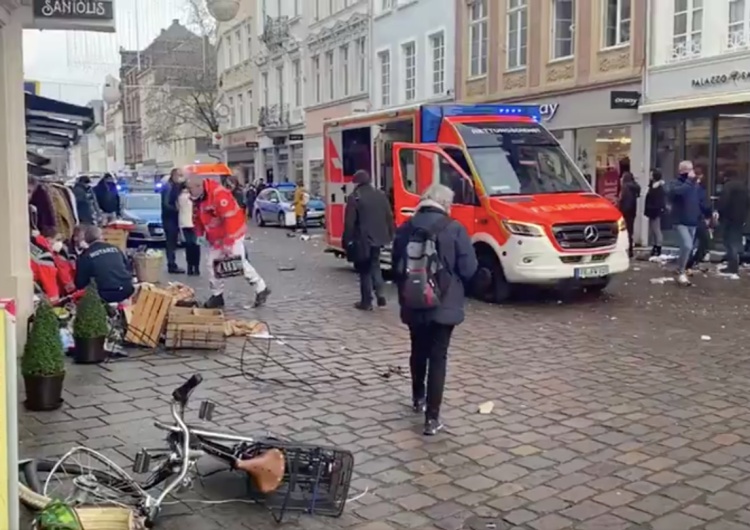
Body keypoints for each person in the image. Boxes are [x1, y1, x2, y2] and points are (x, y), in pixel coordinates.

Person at [391, 184, 478, 436]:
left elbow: (396, 266)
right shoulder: (454, 229)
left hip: (413, 300)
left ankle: (417, 398)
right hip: (444, 303)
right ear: (446, 204)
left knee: (417, 349)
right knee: (438, 357)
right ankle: (432, 418)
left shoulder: (406, 228)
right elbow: (469, 268)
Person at [187, 174, 270, 309]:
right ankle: (217, 295)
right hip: (215, 237)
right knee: (212, 264)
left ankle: (261, 287)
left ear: (198, 186)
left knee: (238, 263)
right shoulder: (198, 198)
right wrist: (199, 233)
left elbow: (229, 219)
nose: (189, 192)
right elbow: (197, 217)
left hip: (232, 233)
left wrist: (228, 243)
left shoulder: (219, 195)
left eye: (190, 189)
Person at [342, 169, 394, 310]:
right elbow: (389, 216)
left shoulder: (355, 197)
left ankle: (366, 301)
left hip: (362, 239)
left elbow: (349, 223)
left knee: (364, 269)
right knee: (375, 265)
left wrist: (346, 241)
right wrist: (390, 234)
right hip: (379, 237)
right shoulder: (380, 195)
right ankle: (381, 293)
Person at [74, 225, 134, 304]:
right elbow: (128, 268)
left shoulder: (85, 256)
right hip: (127, 289)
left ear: (86, 240)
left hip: (105, 294)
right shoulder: (115, 248)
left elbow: (80, 283)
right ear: (101, 237)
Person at [669, 160, 702, 286]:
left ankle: (680, 267)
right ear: (682, 171)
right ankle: (681, 272)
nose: (691, 172)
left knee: (687, 248)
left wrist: (706, 214)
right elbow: (677, 192)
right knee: (687, 245)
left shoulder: (695, 186)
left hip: (692, 221)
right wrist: (689, 181)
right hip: (680, 221)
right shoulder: (675, 183)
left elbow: (698, 201)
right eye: (688, 169)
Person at [717, 171, 750, 277]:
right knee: (736, 241)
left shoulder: (728, 186)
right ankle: (735, 264)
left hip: (729, 218)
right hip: (741, 218)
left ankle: (732, 267)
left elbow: (724, 202)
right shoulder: (744, 187)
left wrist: (720, 213)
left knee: (729, 242)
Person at [685, 171, 714, 274]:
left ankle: (688, 262)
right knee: (704, 241)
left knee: (690, 243)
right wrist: (708, 215)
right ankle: (691, 261)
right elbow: (705, 205)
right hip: (698, 219)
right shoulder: (699, 190)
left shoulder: (689, 190)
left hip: (690, 219)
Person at [161, 168, 186, 274]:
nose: (180, 177)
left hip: (173, 218)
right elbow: (166, 204)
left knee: (173, 241)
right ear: (174, 176)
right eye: (179, 175)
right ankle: (171, 265)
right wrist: (177, 209)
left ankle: (172, 264)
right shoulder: (168, 187)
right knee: (171, 242)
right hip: (169, 218)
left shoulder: (175, 186)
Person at [178, 182, 200, 275]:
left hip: (184, 223)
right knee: (195, 245)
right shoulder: (193, 197)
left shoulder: (179, 196)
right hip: (194, 223)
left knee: (188, 245)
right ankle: (196, 267)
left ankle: (189, 267)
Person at [617, 171, 641, 258]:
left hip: (625, 213)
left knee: (623, 232)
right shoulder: (634, 187)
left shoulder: (626, 188)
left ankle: (625, 250)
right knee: (630, 232)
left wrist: (621, 210)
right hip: (632, 212)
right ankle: (630, 250)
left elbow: (625, 201)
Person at [644, 169, 667, 258]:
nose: (650, 176)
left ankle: (658, 248)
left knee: (656, 230)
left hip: (655, 211)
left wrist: (654, 208)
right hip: (652, 211)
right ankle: (655, 246)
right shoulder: (653, 186)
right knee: (653, 230)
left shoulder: (658, 188)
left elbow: (659, 201)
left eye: (651, 174)